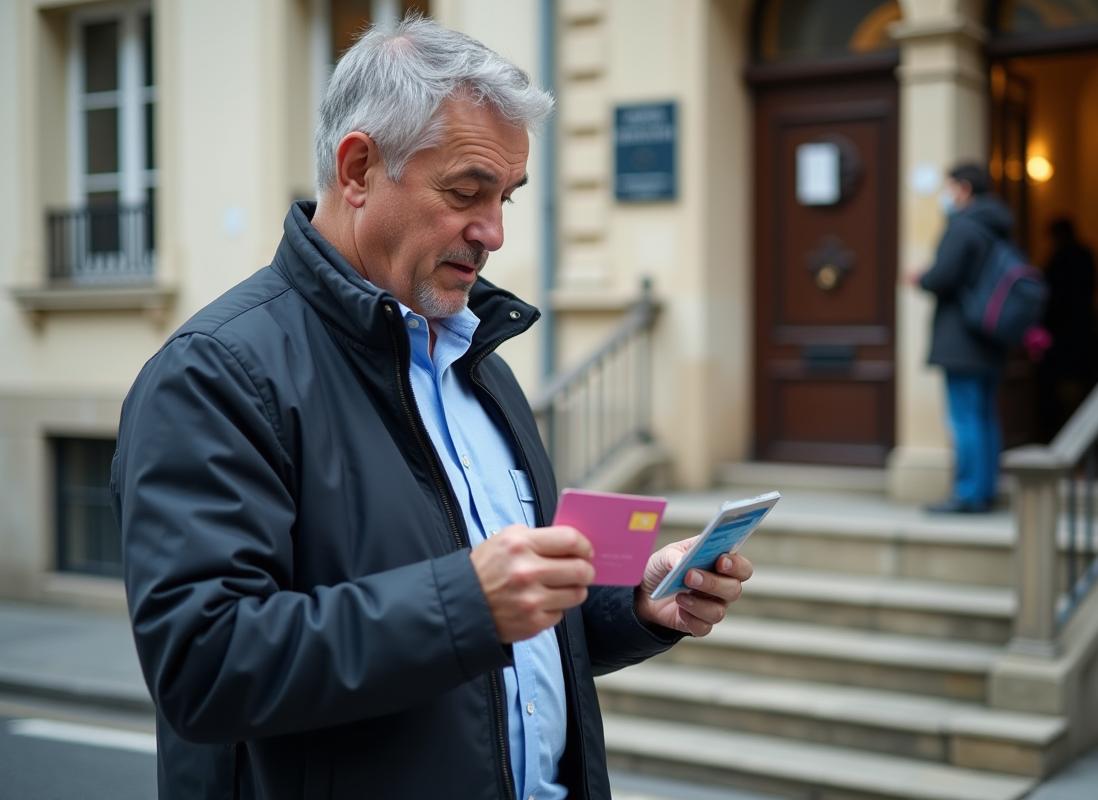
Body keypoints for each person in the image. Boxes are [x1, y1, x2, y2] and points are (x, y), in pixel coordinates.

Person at [109, 16, 753, 800]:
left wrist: (634, 606)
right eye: (466, 192)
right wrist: (467, 603)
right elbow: (204, 669)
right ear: (357, 169)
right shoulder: (215, 373)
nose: (495, 232)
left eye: (507, 197)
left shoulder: (480, 365)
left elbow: (517, 633)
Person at [916, 163, 1012, 513]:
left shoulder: (963, 226)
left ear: (963, 189)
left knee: (965, 418)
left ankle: (968, 494)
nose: (946, 195)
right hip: (991, 337)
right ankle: (984, 490)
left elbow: (942, 277)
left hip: (962, 340)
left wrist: (921, 278)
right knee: (984, 416)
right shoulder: (997, 227)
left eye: (949, 187)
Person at [1037, 218, 1098, 440]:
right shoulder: (1085, 255)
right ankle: (1079, 431)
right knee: (1078, 381)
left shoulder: (1060, 258)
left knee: (1067, 382)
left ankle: (1068, 432)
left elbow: (1051, 295)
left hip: (1065, 333)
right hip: (1082, 329)